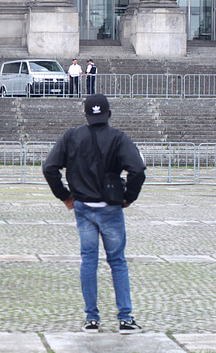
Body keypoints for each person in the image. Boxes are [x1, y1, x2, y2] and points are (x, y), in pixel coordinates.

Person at [42, 94, 146, 335]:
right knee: (117, 262)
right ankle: (125, 318)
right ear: (109, 113)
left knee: (88, 260)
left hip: (83, 206)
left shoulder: (71, 136)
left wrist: (64, 195)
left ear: (86, 115)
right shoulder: (119, 138)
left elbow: (50, 167)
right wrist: (129, 196)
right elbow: (137, 169)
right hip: (110, 207)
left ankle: (91, 318)